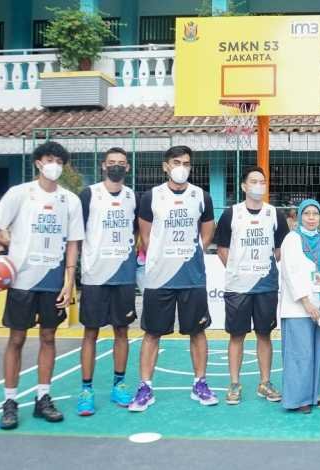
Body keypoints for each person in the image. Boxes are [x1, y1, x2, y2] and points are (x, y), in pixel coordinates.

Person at [0, 141, 84, 430]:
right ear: (38, 163)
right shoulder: (19, 193)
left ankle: (43, 398)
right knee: (17, 339)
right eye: (49, 159)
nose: (54, 165)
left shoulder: (70, 200)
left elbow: (73, 243)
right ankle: (10, 401)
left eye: (59, 161)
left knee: (48, 337)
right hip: (21, 280)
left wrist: (69, 281)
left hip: (52, 279)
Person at [129, 145, 217, 412]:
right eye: (177, 162)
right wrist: (163, 257)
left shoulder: (201, 196)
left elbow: (207, 232)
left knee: (197, 332)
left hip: (192, 276)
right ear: (166, 166)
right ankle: (145, 387)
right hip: (160, 277)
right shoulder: (151, 197)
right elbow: (145, 236)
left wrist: (191, 252)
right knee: (152, 333)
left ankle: (200, 383)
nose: (182, 167)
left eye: (186, 163)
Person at [213, 166, 289, 405]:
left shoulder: (274, 214)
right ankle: (234, 384)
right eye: (253, 181)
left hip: (266, 285)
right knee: (237, 336)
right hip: (238, 287)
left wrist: (260, 269)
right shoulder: (231, 214)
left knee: (264, 334)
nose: (258, 185)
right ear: (244, 186)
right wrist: (239, 271)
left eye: (262, 181)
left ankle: (265, 383)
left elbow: (280, 250)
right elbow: (222, 249)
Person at [76, 148, 138, 416]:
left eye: (121, 163)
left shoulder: (132, 196)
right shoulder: (89, 194)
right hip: (95, 276)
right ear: (103, 166)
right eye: (112, 162)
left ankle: (119, 385)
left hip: (123, 275)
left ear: (128, 168)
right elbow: (77, 233)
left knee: (122, 331)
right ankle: (86, 390)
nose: (116, 166)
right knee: (90, 332)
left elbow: (137, 230)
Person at [278, 199, 320, 413]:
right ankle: (297, 399)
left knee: (318, 352)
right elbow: (290, 273)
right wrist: (306, 303)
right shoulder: (292, 239)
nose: (311, 218)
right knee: (300, 354)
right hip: (299, 308)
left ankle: (313, 394)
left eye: (315, 213)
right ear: (300, 216)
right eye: (307, 213)